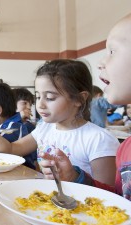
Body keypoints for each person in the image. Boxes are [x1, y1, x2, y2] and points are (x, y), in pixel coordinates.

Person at [0, 59, 119, 185]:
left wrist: (75, 178)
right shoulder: (45, 128)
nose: (40, 105)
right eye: (38, 97)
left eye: (50, 98)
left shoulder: (98, 139)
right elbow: (10, 149)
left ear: (79, 99)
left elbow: (108, 194)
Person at [39, 14, 131, 200]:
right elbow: (118, 203)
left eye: (112, 51)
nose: (101, 62)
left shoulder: (100, 139)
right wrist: (74, 177)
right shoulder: (126, 148)